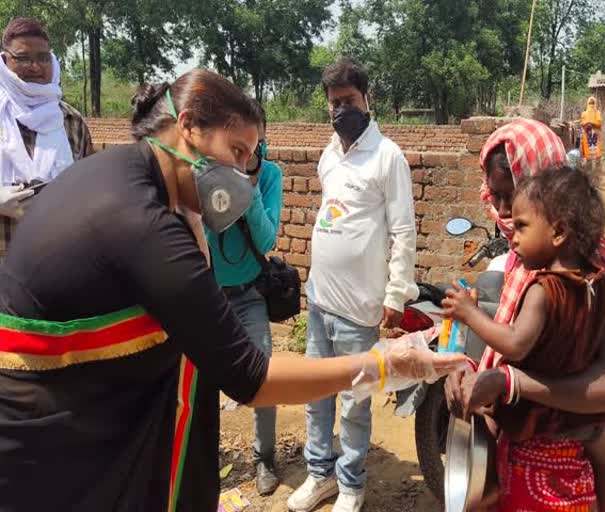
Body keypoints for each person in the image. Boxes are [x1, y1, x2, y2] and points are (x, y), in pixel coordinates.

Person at [0, 68, 464, 512]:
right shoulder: (145, 225)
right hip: (59, 438)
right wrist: (385, 364)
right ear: (188, 127)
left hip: (68, 405)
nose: (244, 172)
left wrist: (195, 215)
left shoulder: (119, 171)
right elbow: (250, 377)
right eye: (237, 151)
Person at [444, 119, 605, 512]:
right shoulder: (524, 263)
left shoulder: (589, 268)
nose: (500, 212)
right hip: (526, 454)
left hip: (571, 454)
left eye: (512, 200)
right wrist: (462, 370)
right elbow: (503, 347)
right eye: (495, 197)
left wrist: (512, 383)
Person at [287, 58, 419, 512]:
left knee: (355, 402)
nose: (341, 109)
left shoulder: (388, 157)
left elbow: (403, 232)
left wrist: (395, 293)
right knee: (315, 395)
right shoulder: (328, 155)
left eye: (349, 101)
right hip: (321, 300)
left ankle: (350, 484)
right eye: (334, 103)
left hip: (360, 308)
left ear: (367, 100)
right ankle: (319, 474)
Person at [204, 99, 283, 495]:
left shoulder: (269, 176)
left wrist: (245, 189)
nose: (244, 152)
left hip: (249, 291)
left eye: (252, 143)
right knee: (200, 378)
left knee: (261, 375)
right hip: (206, 295)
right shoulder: (204, 173)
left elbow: (267, 239)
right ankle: (205, 455)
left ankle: (264, 456)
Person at [0, 17, 93, 260]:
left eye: (43, 58)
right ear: (4, 60)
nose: (35, 66)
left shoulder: (71, 122)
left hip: (54, 264)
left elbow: (87, 193)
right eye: (23, 58)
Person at [580, 96, 603, 176]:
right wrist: (589, 123)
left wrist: (590, 123)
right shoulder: (587, 113)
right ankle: (592, 173)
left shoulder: (596, 113)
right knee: (591, 155)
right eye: (590, 103)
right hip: (590, 136)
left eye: (592, 103)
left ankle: (595, 174)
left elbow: (599, 123)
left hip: (593, 136)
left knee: (594, 156)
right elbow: (582, 123)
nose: (591, 105)